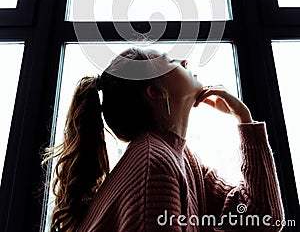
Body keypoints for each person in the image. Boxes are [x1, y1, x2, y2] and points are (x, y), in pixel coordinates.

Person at [43, 47, 284, 231]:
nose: (185, 61)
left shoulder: (180, 158)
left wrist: (245, 120)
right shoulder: (155, 164)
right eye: (171, 61)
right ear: (157, 92)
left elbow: (265, 218)